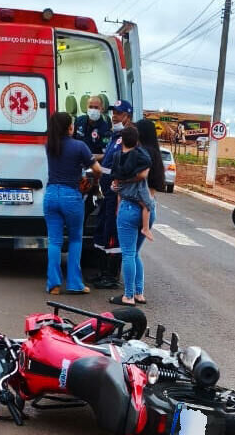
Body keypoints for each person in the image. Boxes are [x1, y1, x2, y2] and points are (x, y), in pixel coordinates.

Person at [109, 118, 165, 307]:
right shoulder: (155, 156)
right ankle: (139, 292)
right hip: (150, 207)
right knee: (135, 253)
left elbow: (124, 177)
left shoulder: (136, 155)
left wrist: (120, 184)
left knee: (128, 254)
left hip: (131, 206)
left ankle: (128, 295)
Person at [44, 112, 102, 295]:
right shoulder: (80, 146)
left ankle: (53, 284)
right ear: (69, 127)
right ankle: (75, 283)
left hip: (51, 194)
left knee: (54, 241)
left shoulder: (50, 146)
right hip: (71, 196)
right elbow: (97, 169)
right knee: (76, 239)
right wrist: (94, 181)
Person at [91, 99, 135, 290]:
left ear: (127, 116)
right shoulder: (114, 136)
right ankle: (102, 272)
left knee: (113, 234)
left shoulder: (128, 138)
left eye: (118, 113)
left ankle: (111, 275)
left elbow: (125, 167)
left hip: (116, 194)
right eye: (113, 112)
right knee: (102, 230)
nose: (114, 116)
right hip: (105, 193)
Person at [111, 126, 154, 242]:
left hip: (121, 190)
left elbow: (114, 175)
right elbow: (143, 173)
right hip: (135, 194)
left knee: (119, 195)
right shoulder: (138, 155)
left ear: (122, 140)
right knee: (147, 205)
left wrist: (118, 181)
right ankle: (145, 228)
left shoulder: (117, 156)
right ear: (136, 141)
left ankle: (118, 210)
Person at [72, 95, 111, 161]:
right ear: (87, 108)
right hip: (77, 161)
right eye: (90, 107)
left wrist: (90, 158)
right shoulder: (79, 121)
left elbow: (106, 154)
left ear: (102, 109)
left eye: (96, 108)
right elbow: (72, 140)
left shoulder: (105, 128)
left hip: (95, 164)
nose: (93, 110)